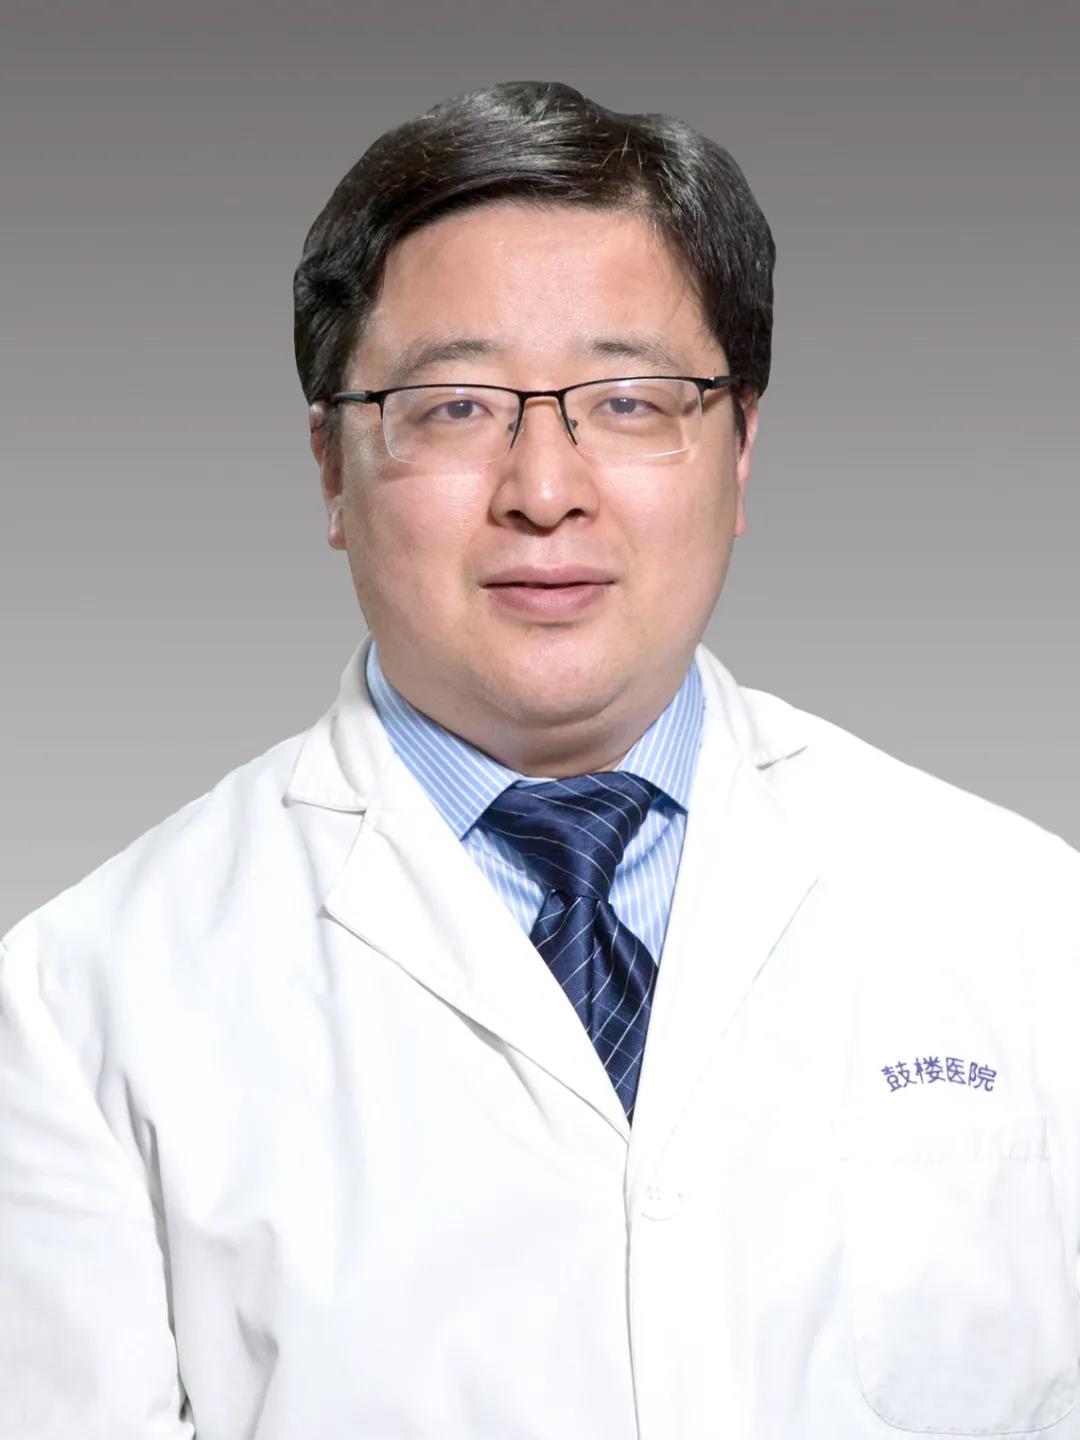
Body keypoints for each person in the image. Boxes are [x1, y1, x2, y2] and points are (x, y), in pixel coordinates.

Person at [1, 78, 1078, 1440]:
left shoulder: (1025, 920)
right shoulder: (80, 1008)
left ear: (740, 448)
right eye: (454, 407)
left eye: (628, 400)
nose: (546, 490)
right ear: (331, 467)